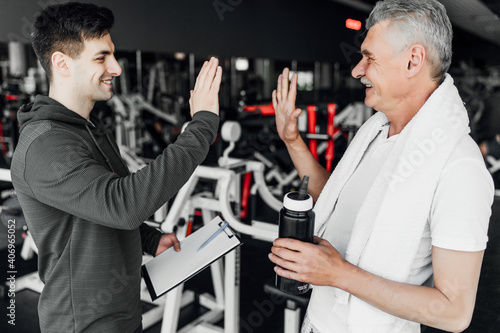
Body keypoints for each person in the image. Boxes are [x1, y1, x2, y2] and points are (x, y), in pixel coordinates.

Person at [268, 0, 494, 332]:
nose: (358, 70)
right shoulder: (375, 130)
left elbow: (454, 311)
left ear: (413, 61)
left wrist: (339, 274)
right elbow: (336, 197)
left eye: (369, 58)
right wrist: (291, 140)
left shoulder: (460, 166)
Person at [10, 2, 222, 332]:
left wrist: (149, 239)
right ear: (61, 64)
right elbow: (123, 205)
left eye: (112, 54)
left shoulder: (89, 129)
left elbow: (98, 208)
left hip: (122, 313)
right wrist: (202, 126)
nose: (117, 67)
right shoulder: (45, 144)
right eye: (101, 57)